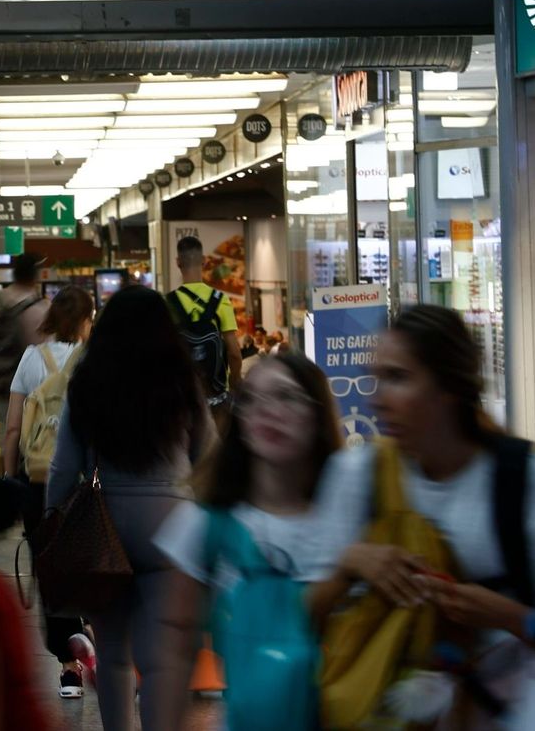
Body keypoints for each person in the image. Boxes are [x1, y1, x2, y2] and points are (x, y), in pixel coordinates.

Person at [310, 306, 535, 730]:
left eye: (398, 378)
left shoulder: (529, 487)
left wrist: (510, 617)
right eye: (377, 376)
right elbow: (303, 616)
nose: (376, 397)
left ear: (447, 389)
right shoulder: (356, 478)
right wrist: (351, 564)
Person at [46, 285, 210, 731]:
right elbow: (208, 454)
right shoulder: (182, 378)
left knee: (115, 655)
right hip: (173, 526)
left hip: (106, 526)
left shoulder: (88, 382)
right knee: (161, 662)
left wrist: (52, 518)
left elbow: (64, 467)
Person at [151, 352, 344, 729]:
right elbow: (175, 650)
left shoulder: (351, 523)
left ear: (319, 414)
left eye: (287, 397)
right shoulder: (204, 524)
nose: (267, 411)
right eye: (252, 399)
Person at [1, 285, 95, 699]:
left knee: (50, 573)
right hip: (83, 482)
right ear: (86, 319)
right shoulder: (92, 361)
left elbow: (13, 426)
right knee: (92, 564)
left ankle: (69, 668)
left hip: (37, 481)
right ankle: (101, 647)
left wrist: (10, 476)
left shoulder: (30, 359)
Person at [0, 253, 49, 450]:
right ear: (36, 276)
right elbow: (45, 354)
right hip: (32, 392)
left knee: (5, 437)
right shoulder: (39, 309)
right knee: (32, 444)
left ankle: (5, 476)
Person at [170, 237, 243, 431]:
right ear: (203, 261)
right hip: (216, 398)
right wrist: (234, 382)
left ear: (178, 262)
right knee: (216, 453)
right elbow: (234, 353)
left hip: (182, 399)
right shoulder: (221, 301)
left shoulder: (167, 303)